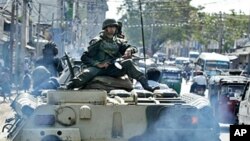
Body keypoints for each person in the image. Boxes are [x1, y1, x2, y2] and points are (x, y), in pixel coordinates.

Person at [66, 18, 157, 92]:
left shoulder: (118, 41)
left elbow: (133, 48)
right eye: (111, 27)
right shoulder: (97, 41)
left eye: (114, 27)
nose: (113, 29)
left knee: (129, 63)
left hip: (114, 67)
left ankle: (146, 85)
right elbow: (84, 57)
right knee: (86, 73)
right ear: (106, 28)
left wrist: (129, 50)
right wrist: (98, 64)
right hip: (99, 68)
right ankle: (69, 86)